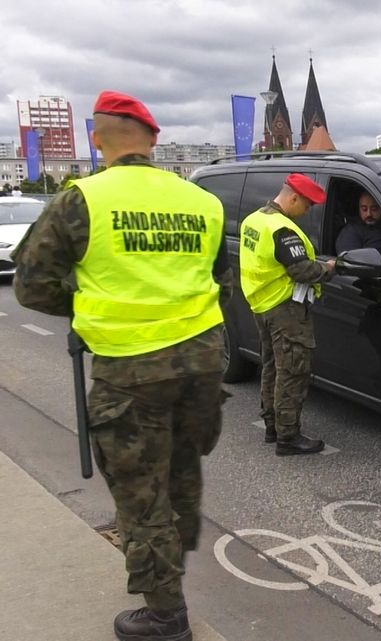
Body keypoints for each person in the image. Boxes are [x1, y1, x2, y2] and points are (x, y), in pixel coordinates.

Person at [13, 90, 230, 641]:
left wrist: (86, 305)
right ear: (155, 141)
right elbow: (215, 276)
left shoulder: (80, 200)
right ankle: (170, 569)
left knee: (140, 492)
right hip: (202, 366)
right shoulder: (201, 200)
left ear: (96, 138)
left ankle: (165, 613)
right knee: (182, 474)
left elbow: (33, 288)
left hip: (131, 372)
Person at [240, 173, 336, 455]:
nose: (306, 212)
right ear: (293, 197)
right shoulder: (281, 229)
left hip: (262, 306)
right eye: (306, 206)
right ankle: (288, 436)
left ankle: (272, 425)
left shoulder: (253, 220)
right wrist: (328, 268)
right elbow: (302, 270)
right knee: (293, 371)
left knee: (271, 367)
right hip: (286, 310)